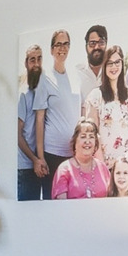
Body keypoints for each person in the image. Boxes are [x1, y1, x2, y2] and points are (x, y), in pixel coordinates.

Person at [86, 45, 128, 174]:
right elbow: (93, 134)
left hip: (126, 165)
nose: (114, 67)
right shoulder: (96, 96)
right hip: (104, 164)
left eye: (117, 62)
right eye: (110, 63)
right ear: (104, 66)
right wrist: (102, 165)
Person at [40, 29, 81, 176]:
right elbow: (39, 119)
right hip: (52, 152)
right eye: (58, 44)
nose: (62, 48)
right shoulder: (45, 79)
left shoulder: (76, 77)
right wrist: (40, 157)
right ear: (51, 50)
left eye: (66, 44)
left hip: (74, 153)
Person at [15, 45, 48, 201]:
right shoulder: (23, 94)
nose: (36, 64)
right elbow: (17, 134)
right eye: (32, 60)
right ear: (26, 63)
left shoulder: (42, 89)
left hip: (38, 164)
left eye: (39, 59)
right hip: (25, 167)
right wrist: (34, 160)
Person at [49, 118, 110, 199]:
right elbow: (61, 206)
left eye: (91, 137)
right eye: (83, 136)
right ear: (75, 142)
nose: (87, 141)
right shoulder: (64, 169)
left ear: (96, 143)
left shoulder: (102, 168)